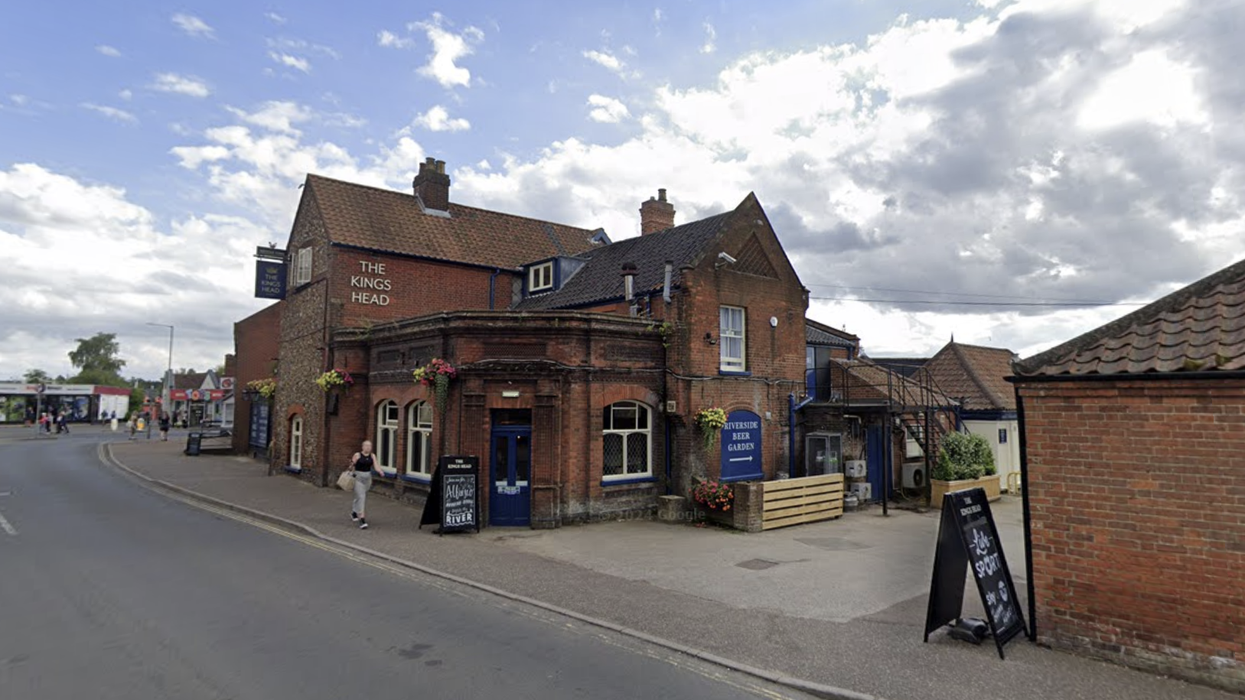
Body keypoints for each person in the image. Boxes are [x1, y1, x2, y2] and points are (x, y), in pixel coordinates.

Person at [348, 440, 380, 529]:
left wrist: (380, 471)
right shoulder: (357, 455)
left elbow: (376, 466)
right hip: (358, 478)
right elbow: (351, 466)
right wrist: (352, 464)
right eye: (366, 446)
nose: (368, 447)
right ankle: (362, 520)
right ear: (362, 447)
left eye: (369, 446)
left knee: (360, 496)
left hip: (368, 478)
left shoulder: (372, 456)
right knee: (361, 497)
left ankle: (354, 512)